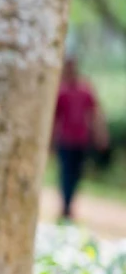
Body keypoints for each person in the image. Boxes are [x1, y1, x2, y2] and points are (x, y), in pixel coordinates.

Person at [52, 56, 107, 221]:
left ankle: (69, 206)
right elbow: (55, 118)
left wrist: (100, 134)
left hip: (81, 139)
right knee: (65, 173)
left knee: (76, 174)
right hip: (65, 140)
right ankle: (66, 207)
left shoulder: (85, 89)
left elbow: (95, 113)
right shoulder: (61, 91)